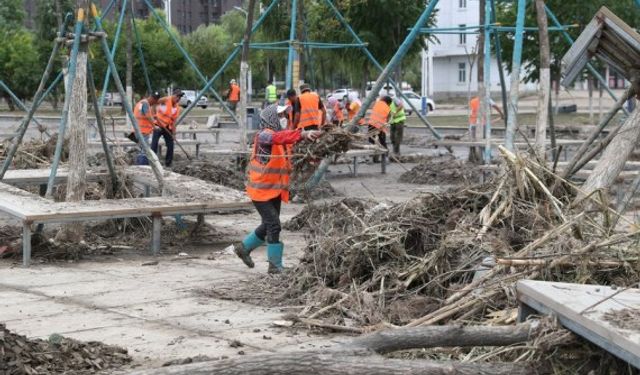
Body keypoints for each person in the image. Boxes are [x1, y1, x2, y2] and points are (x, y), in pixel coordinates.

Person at [229, 104, 322, 273]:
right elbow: (281, 137)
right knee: (274, 225)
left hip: (274, 190)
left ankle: (243, 248)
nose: (283, 119)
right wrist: (303, 133)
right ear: (271, 118)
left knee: (269, 224)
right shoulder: (265, 135)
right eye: (279, 116)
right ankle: (274, 266)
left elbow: (288, 143)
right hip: (260, 191)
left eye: (284, 115)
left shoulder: (280, 137)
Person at [152, 89, 184, 167]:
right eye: (177, 97)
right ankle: (153, 161)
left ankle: (168, 163)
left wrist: (173, 134)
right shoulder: (165, 100)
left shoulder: (177, 108)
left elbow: (174, 122)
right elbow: (153, 102)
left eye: (179, 97)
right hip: (158, 125)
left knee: (170, 145)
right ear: (173, 95)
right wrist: (154, 114)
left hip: (168, 127)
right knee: (154, 143)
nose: (178, 99)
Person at [131, 91, 161, 165]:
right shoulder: (145, 104)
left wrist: (153, 117)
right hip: (143, 131)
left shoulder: (140, 103)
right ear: (153, 99)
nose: (154, 103)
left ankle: (139, 165)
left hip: (136, 130)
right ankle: (143, 166)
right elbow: (147, 116)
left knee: (141, 149)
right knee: (144, 150)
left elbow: (142, 115)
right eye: (155, 101)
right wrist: (154, 126)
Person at [366, 96, 392, 162]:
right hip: (380, 126)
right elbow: (388, 119)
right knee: (382, 141)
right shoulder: (388, 108)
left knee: (371, 140)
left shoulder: (377, 103)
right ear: (388, 103)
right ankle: (385, 157)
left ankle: (370, 158)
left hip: (371, 124)